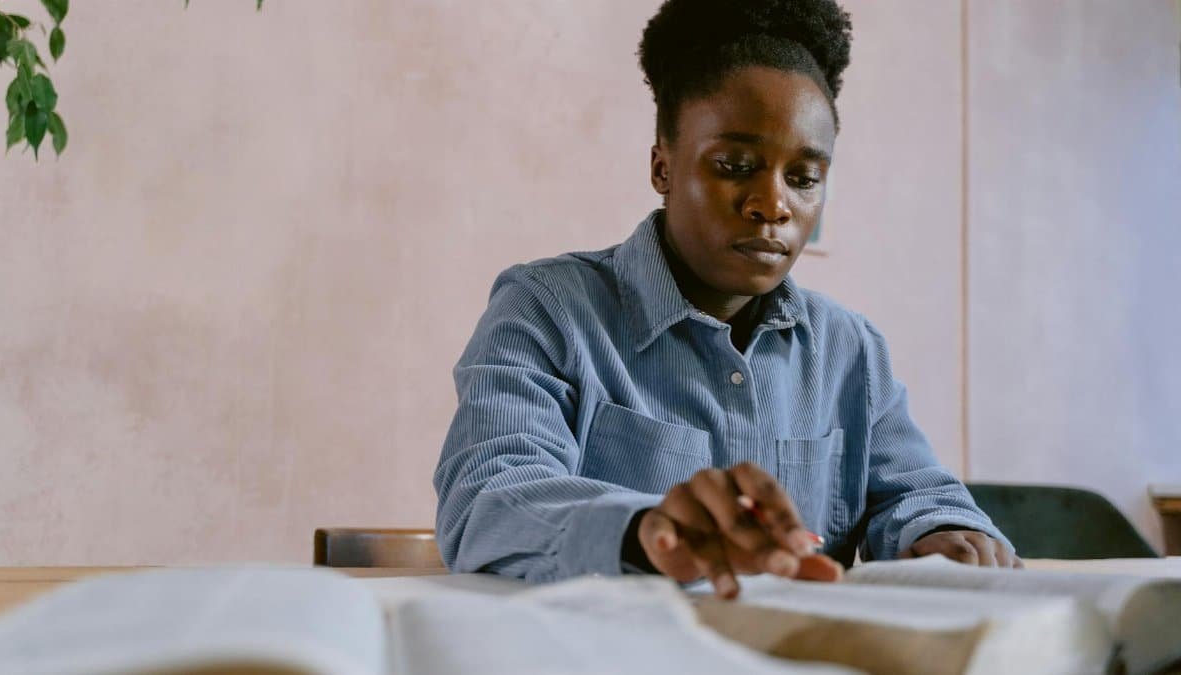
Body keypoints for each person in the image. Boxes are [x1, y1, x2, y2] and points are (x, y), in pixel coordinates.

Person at [434, 0, 1019, 599]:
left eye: (804, 177)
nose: (774, 204)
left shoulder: (850, 349)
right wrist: (645, 531)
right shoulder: (547, 309)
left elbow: (918, 493)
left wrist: (945, 531)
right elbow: (487, 501)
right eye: (735, 165)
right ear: (663, 167)